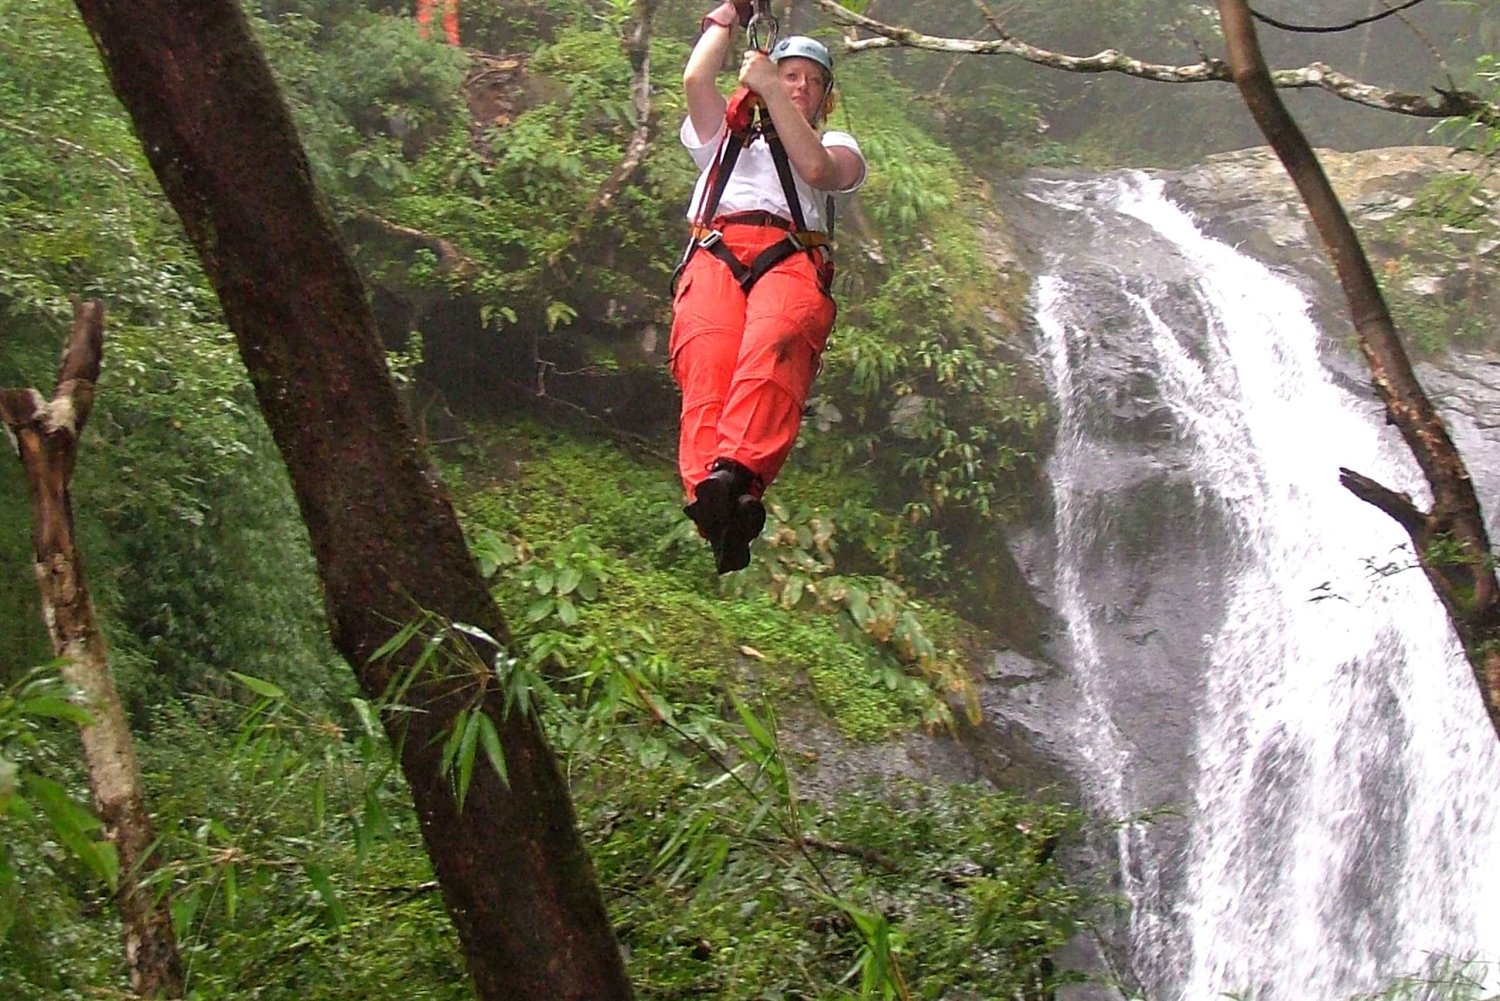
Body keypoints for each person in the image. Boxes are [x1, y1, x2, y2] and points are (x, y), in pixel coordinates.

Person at [672, 2, 866, 574]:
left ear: (824, 97)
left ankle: (740, 474)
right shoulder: (722, 138)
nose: (800, 86)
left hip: (790, 255)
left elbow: (815, 171)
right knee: (707, 362)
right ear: (768, 78)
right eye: (790, 75)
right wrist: (728, 17)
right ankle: (713, 503)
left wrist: (768, 88)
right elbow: (694, 79)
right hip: (716, 249)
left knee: (774, 343)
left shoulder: (841, 145)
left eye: (811, 82)